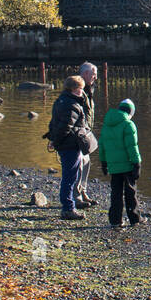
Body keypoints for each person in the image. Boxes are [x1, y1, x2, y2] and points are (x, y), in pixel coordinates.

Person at [45, 75, 93, 220]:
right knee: (70, 177)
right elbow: (66, 126)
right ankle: (68, 208)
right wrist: (55, 140)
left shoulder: (61, 101)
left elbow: (54, 123)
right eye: (80, 89)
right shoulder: (71, 104)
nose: (82, 92)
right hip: (70, 145)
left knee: (71, 176)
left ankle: (69, 205)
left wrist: (53, 139)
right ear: (74, 89)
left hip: (66, 144)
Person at [100, 98, 142, 227]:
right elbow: (132, 147)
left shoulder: (107, 124)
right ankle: (134, 219)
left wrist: (104, 162)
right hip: (127, 165)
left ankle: (115, 220)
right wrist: (137, 163)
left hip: (113, 165)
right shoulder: (128, 124)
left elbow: (102, 145)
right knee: (130, 193)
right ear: (131, 112)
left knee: (116, 193)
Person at [74, 62, 99, 208]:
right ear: (85, 74)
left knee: (86, 163)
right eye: (93, 73)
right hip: (79, 135)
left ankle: (83, 192)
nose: (95, 77)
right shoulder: (78, 90)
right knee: (79, 166)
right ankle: (76, 197)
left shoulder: (89, 90)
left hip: (86, 133)